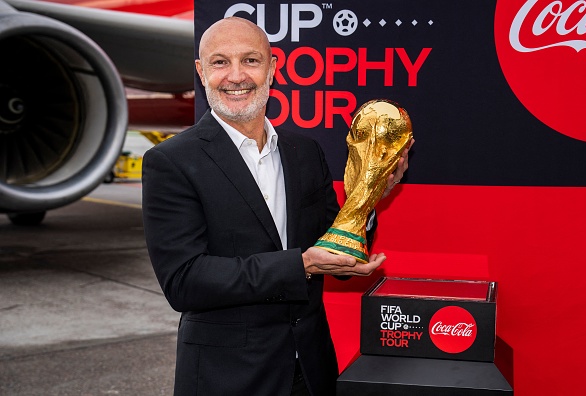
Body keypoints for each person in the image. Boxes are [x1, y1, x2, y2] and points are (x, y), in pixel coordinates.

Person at [142, 16, 412, 396]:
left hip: (312, 368)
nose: (236, 76)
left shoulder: (304, 151)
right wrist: (300, 265)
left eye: (251, 60)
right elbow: (185, 282)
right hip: (229, 377)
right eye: (220, 62)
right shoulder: (170, 161)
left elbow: (331, 238)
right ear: (201, 73)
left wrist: (368, 197)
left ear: (272, 68)